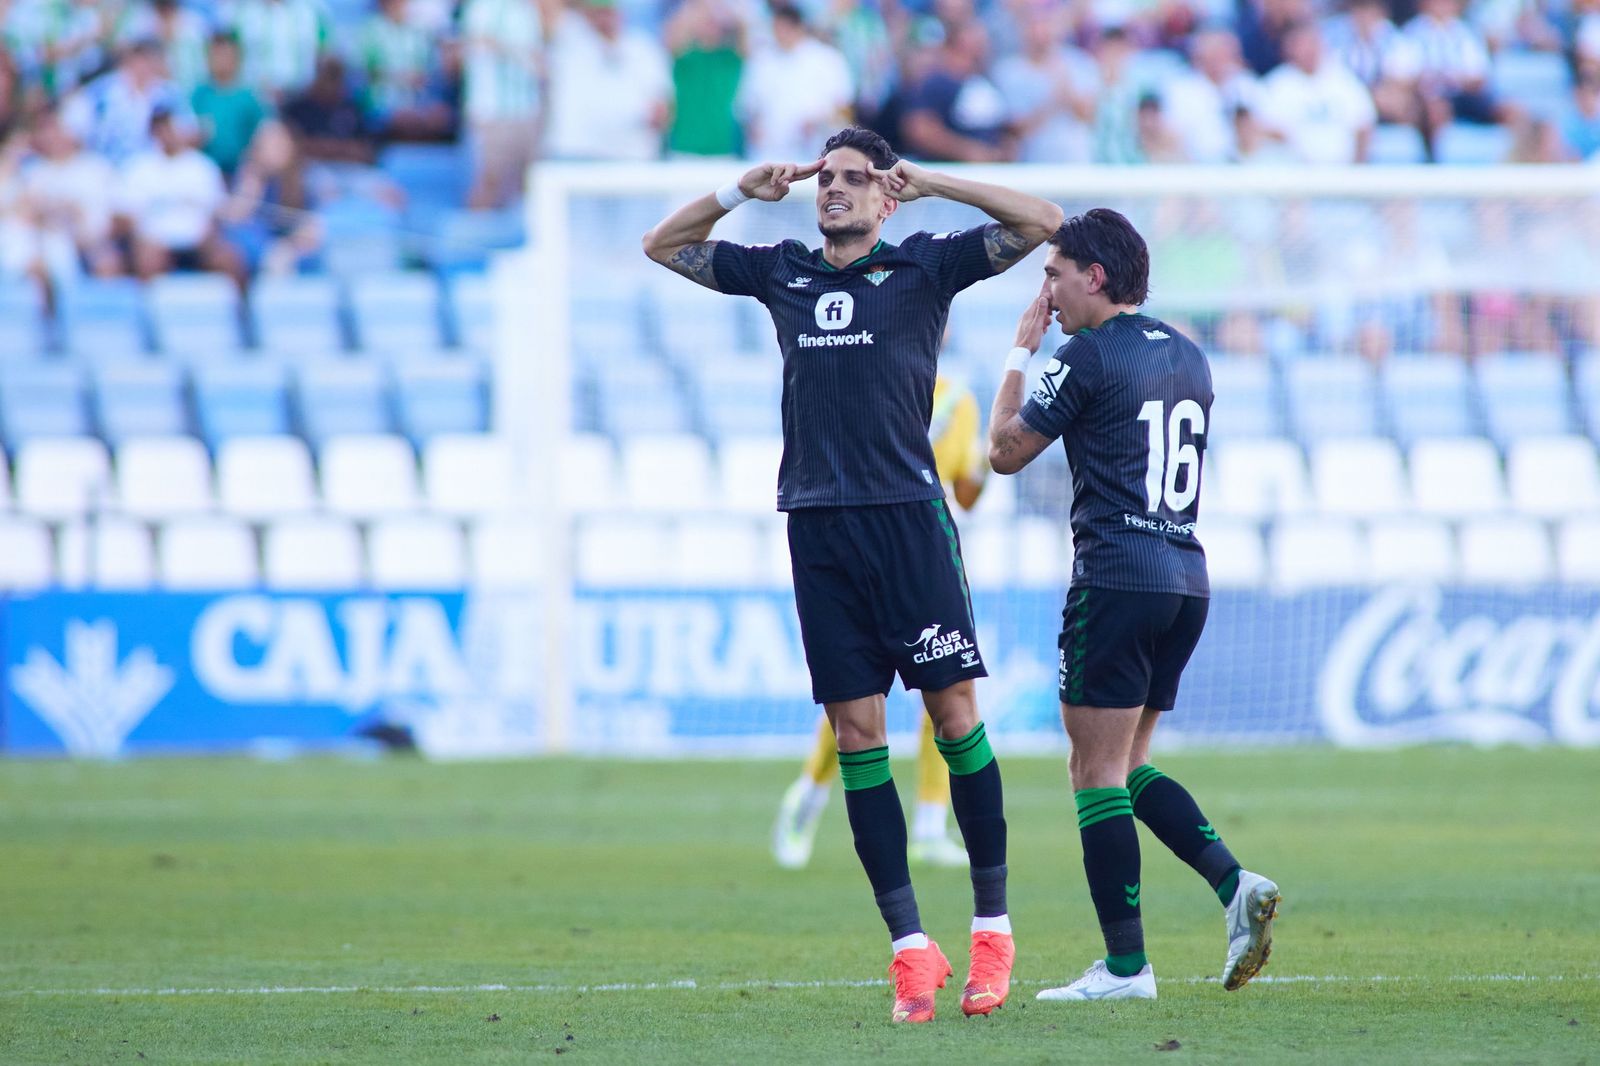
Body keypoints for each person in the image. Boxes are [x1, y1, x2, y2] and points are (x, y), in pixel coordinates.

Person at [642, 125, 1061, 1023]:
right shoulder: (783, 270)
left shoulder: (924, 267)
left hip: (909, 525)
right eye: (824, 178)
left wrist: (939, 182)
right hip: (818, 529)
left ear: (886, 196)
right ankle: (911, 949)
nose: (832, 190)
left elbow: (1042, 223)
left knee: (953, 718)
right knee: (857, 732)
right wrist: (736, 193)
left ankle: (993, 930)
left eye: (852, 180)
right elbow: (663, 246)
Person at [985, 208, 1280, 1002]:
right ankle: (1233, 883)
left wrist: (1021, 348)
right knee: (1128, 764)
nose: (1046, 288)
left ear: (1097, 276)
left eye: (1054, 273)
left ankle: (1125, 969)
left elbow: (1003, 452)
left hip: (1115, 576)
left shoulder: (1084, 355)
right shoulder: (1188, 354)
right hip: (1185, 577)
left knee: (1092, 771)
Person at [772, 372, 990, 871]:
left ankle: (932, 825)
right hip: (864, 557)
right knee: (861, 700)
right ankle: (808, 793)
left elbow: (966, 492)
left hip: (926, 554)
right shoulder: (871, 381)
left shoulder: (959, 400)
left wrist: (988, 462)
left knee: (946, 694)